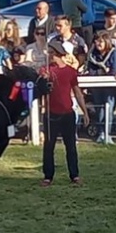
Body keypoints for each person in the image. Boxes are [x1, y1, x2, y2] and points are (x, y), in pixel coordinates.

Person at [40, 40, 89, 187]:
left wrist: (84, 111)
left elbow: (77, 92)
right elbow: (41, 86)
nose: (48, 55)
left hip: (67, 113)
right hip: (50, 114)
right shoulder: (46, 70)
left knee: (71, 146)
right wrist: (44, 79)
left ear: (56, 54)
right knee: (49, 146)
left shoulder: (70, 72)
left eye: (50, 52)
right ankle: (48, 176)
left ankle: (74, 174)